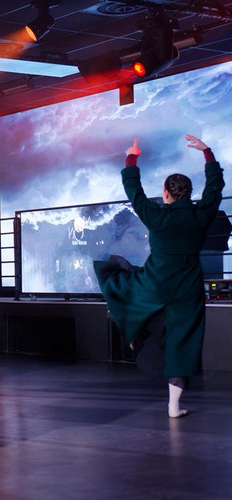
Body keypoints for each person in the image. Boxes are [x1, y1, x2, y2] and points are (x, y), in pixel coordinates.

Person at [94, 136, 223, 418]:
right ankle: (173, 406)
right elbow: (215, 187)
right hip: (188, 287)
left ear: (165, 193)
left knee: (118, 278)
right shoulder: (201, 215)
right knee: (182, 341)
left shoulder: (156, 216)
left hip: (155, 282)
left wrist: (131, 158)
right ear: (188, 194)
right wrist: (207, 153)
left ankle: (132, 335)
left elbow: (134, 192)